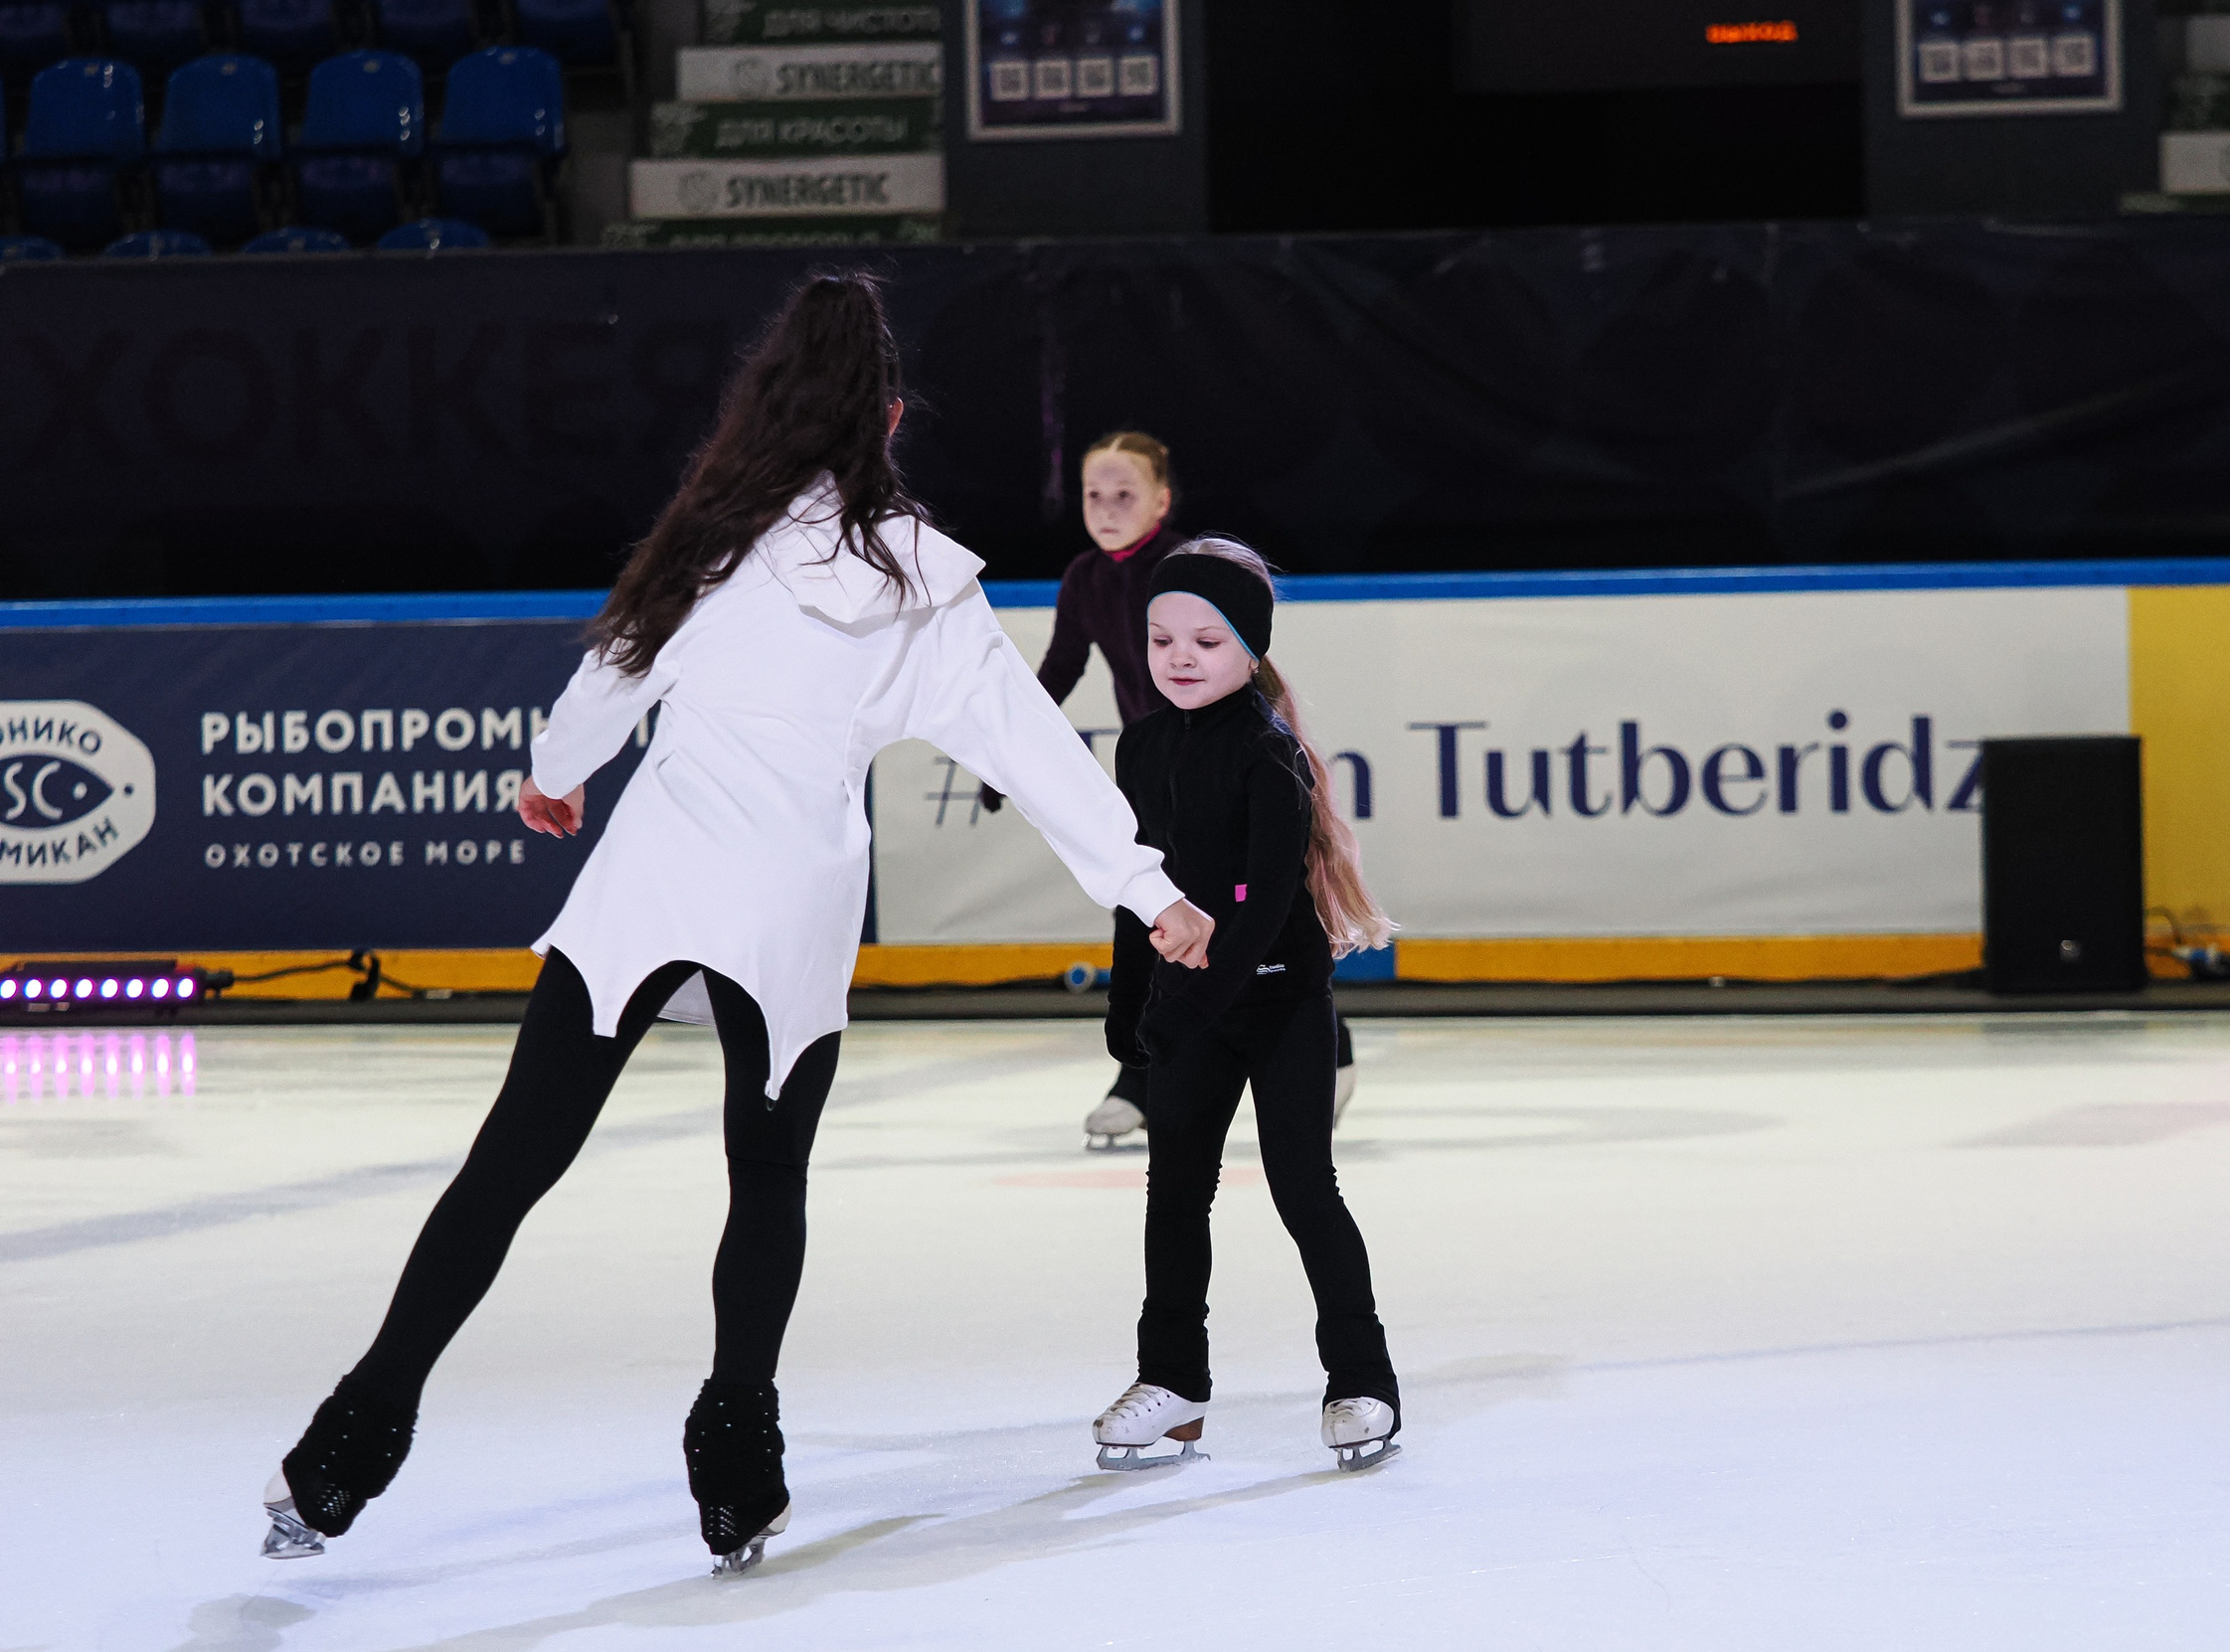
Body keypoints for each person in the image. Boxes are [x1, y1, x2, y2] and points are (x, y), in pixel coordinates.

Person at [257, 272, 1216, 1578]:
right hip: (794, 896)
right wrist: (1151, 890)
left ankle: (347, 1443)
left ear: (766, 403)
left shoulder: (709, 533)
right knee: (763, 1177)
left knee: (510, 1161)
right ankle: (737, 1463)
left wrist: (555, 772)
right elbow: (1039, 753)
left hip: (653, 872)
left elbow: (610, 672)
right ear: (885, 416)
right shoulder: (927, 582)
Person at [1088, 537, 1403, 1475]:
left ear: (1250, 652)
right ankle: (1173, 1382)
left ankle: (1364, 1380)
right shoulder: (1139, 748)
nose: (1181, 657)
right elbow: (1136, 886)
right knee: (1174, 1194)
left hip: (1279, 1005)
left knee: (1304, 1186)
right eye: (1162, 638)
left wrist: (1184, 1008)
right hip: (1190, 1005)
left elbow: (1264, 911)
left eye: (1208, 641)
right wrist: (1130, 1001)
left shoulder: (1273, 756)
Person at [980, 431, 1354, 1148]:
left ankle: (1322, 1043)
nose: (1108, 508)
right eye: (1095, 494)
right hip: (1156, 773)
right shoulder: (1085, 578)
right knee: (1155, 909)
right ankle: (1143, 1074)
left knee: (1255, 918)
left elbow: (1240, 650)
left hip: (1226, 763)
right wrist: (1003, 756)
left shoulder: (1186, 570)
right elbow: (1058, 671)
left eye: (1126, 495)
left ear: (1162, 500)